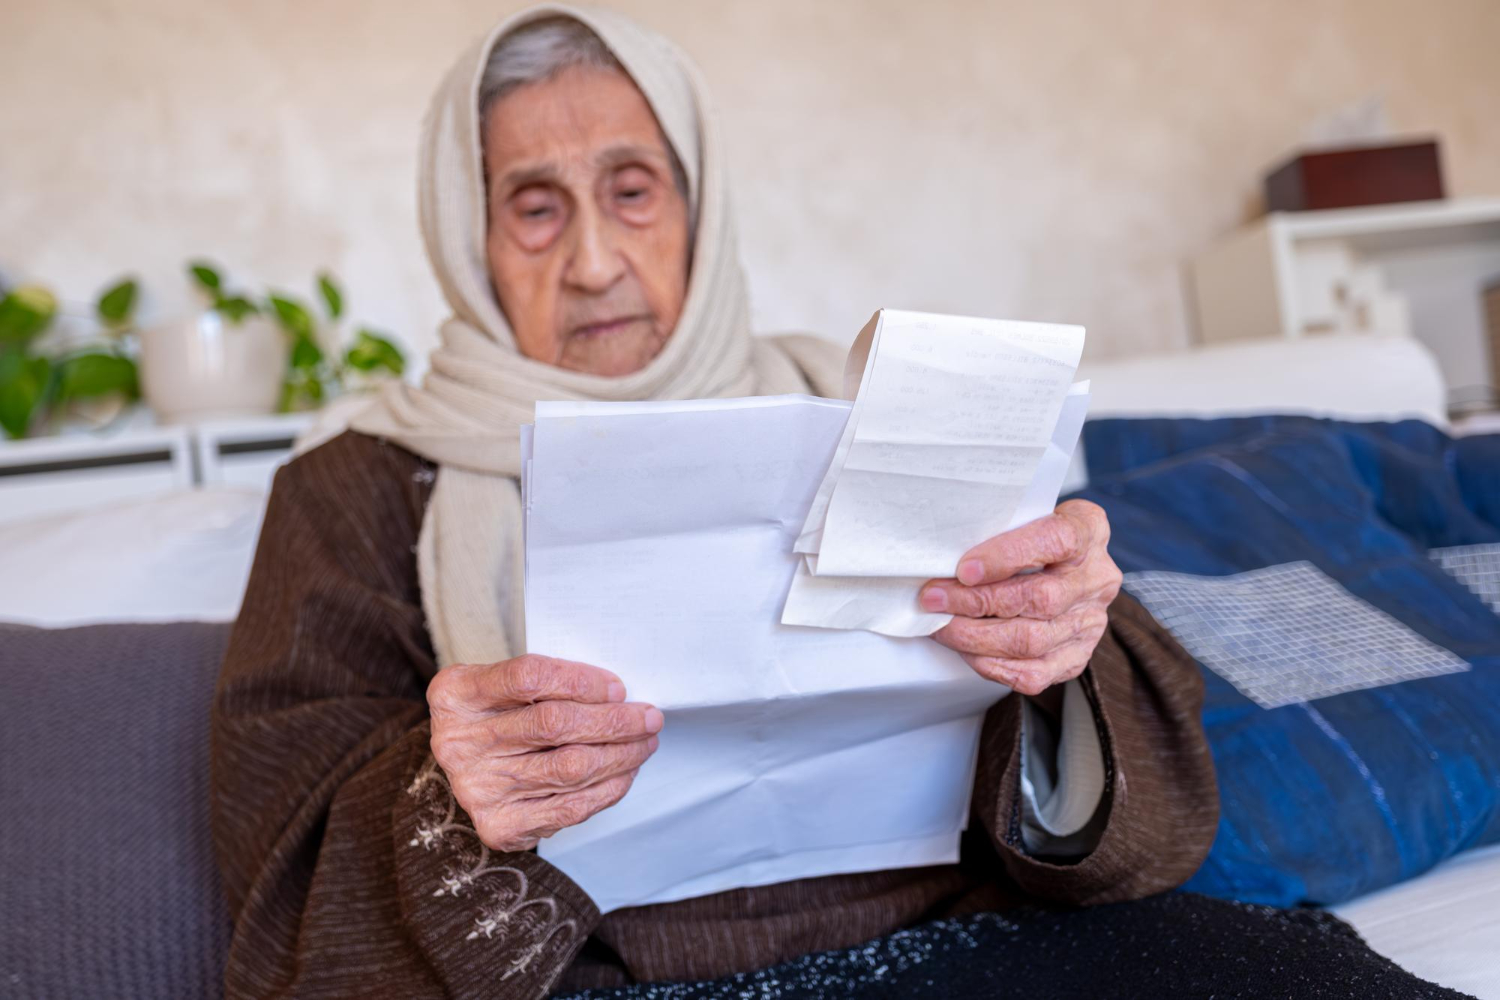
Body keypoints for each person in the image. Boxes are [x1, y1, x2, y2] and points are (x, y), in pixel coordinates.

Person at [210, 6, 1220, 996]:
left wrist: (1061, 638)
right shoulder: (359, 485)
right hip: (597, 978)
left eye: (634, 190)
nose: (594, 262)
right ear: (471, 240)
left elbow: (1130, 812)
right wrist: (451, 791)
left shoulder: (869, 411)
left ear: (702, 208)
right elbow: (282, 875)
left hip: (957, 940)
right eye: (534, 206)